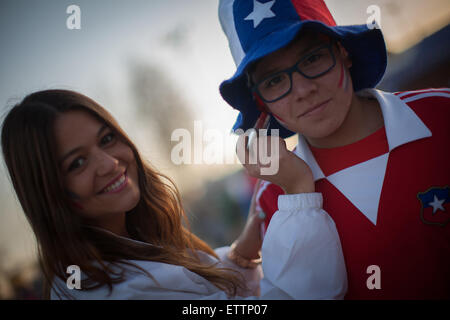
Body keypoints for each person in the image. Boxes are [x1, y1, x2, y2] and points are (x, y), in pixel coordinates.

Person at [1, 89, 346, 299]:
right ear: (49, 192)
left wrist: (241, 253)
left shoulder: (121, 253)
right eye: (77, 163)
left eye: (107, 139)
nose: (109, 163)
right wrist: (299, 191)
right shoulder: (117, 292)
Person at [218, 0, 450, 299]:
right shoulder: (276, 199)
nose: (303, 90)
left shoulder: (441, 113)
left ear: (343, 51)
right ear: (260, 102)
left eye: (312, 58)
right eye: (274, 80)